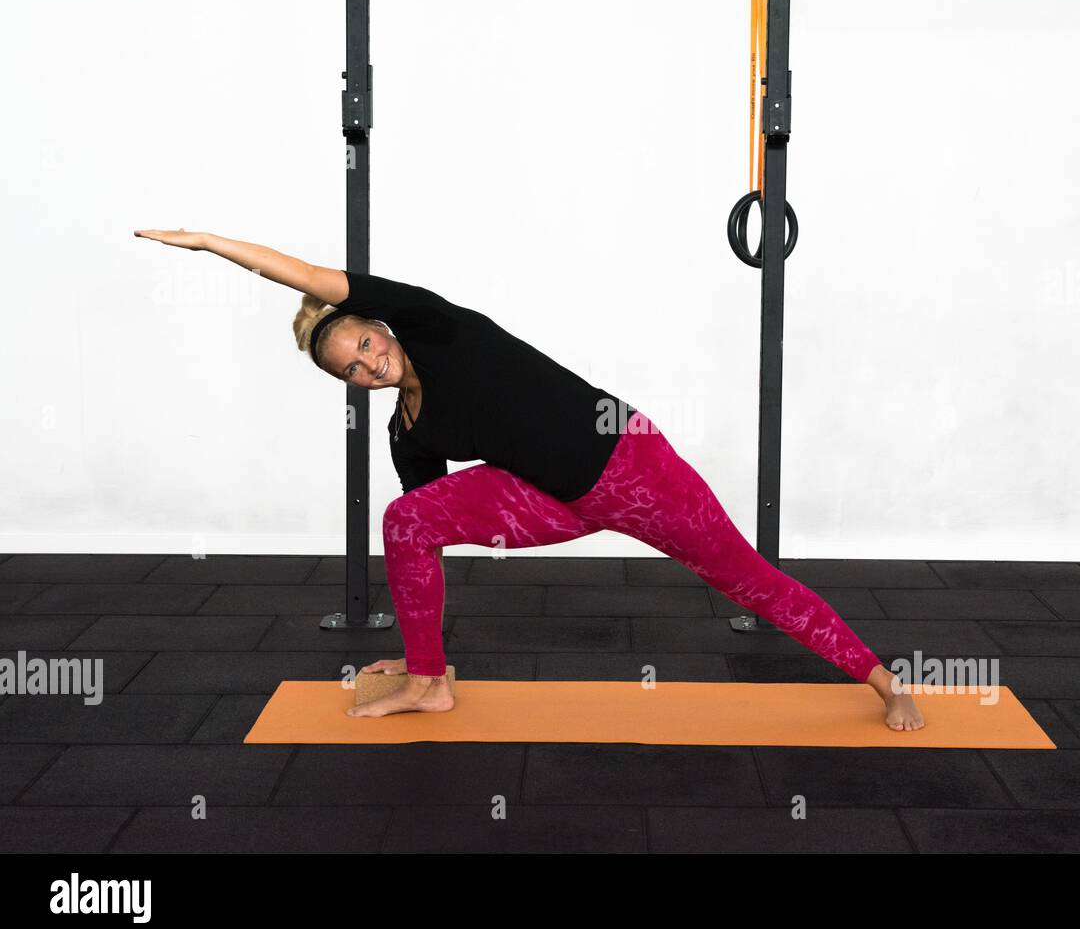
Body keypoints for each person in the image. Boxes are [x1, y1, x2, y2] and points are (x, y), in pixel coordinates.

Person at [133, 228, 925, 731]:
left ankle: (882, 679)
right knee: (408, 520)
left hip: (633, 465)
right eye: (353, 371)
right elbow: (427, 533)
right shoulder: (407, 428)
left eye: (366, 346)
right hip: (550, 496)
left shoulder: (435, 326)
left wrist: (214, 247)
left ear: (379, 326)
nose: (370, 365)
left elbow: (309, 271)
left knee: (746, 577)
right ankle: (429, 683)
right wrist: (416, 651)